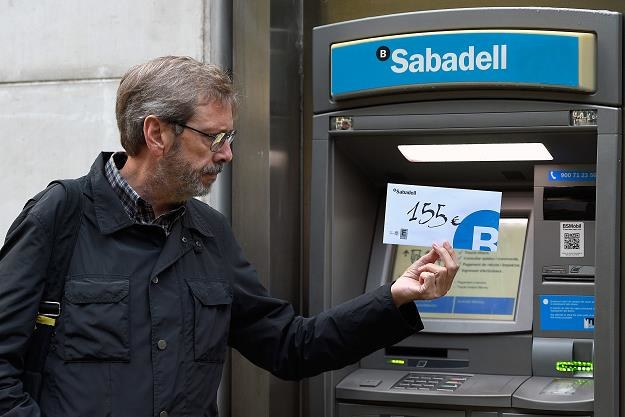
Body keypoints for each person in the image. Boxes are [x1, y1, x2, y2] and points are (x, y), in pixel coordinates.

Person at [0, 56, 459, 417]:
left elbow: (289, 346)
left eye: (231, 136)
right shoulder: (61, 214)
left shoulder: (208, 232)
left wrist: (395, 297)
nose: (229, 154)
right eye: (215, 137)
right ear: (156, 132)